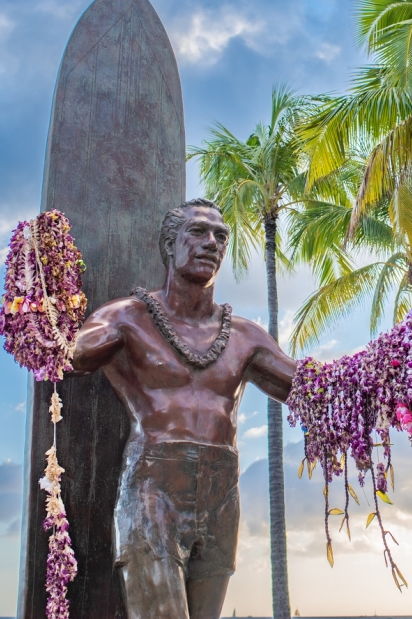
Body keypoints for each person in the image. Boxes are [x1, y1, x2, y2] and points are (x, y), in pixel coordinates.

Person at [72, 198, 297, 619]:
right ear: (169, 245)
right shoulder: (126, 318)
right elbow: (70, 358)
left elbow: (311, 390)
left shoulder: (246, 337)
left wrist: (392, 372)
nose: (211, 243)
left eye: (220, 236)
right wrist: (38, 304)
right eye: (198, 232)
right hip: (154, 488)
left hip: (221, 494)